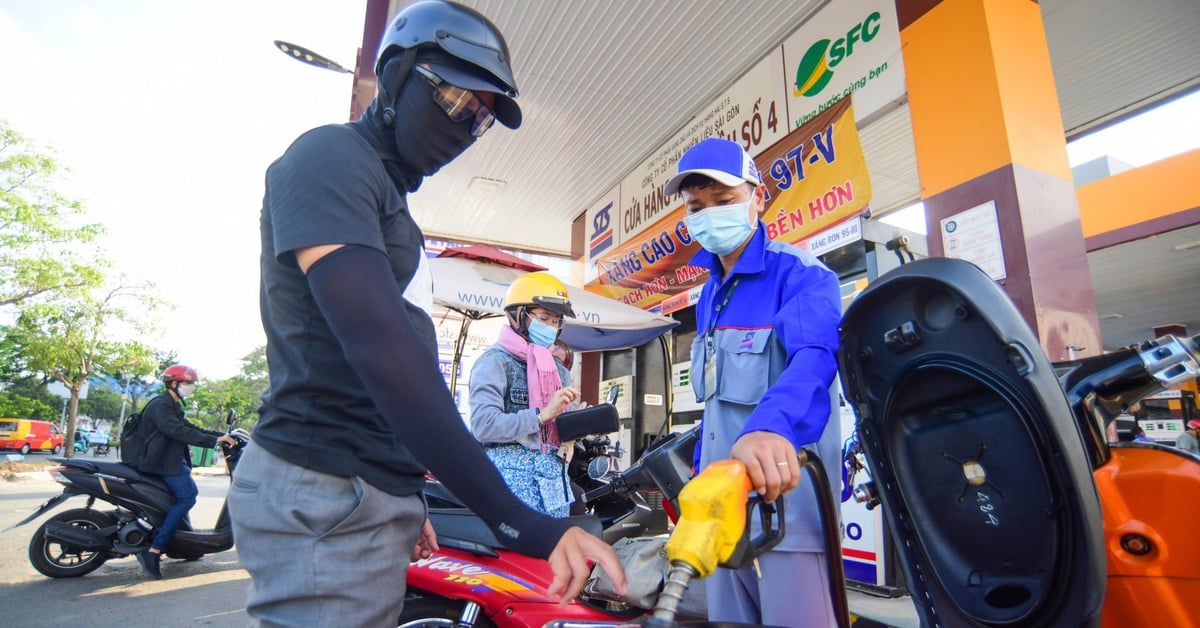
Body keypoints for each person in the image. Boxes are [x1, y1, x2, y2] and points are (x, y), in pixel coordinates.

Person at [226, 2, 623, 625]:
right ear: (397, 74)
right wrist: (519, 520)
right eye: (457, 100)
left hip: (368, 490)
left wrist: (407, 497)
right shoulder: (328, 157)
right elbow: (383, 351)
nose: (467, 127)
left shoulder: (390, 206)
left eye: (482, 119)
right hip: (323, 483)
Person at [667, 137, 842, 626]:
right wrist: (699, 478)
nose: (708, 215)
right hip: (720, 513)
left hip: (785, 510)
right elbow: (717, 405)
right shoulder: (708, 295)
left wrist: (771, 427)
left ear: (758, 197)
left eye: (724, 201)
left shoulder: (803, 275)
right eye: (696, 207)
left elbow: (813, 360)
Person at [468, 272, 581, 517]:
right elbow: (483, 425)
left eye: (556, 320)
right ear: (518, 316)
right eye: (544, 317)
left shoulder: (559, 370)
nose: (551, 326)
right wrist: (540, 416)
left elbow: (559, 431)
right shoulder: (495, 363)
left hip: (553, 485)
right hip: (509, 485)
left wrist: (576, 430)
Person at [133, 364, 236, 579]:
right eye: (188, 383)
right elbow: (177, 431)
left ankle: (183, 545)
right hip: (161, 462)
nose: (191, 387)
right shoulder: (161, 405)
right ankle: (154, 549)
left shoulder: (173, 405)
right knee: (188, 497)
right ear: (174, 383)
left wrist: (221, 436)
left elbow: (189, 427)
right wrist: (213, 440)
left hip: (169, 460)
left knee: (180, 499)